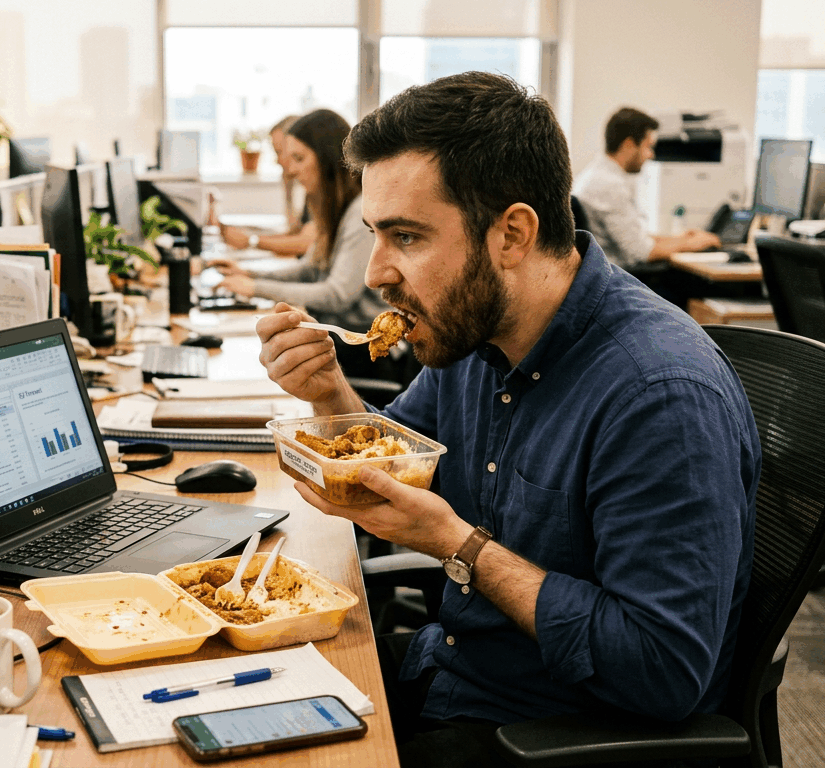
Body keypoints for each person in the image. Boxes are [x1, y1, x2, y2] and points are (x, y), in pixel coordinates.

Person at [255, 73, 759, 768]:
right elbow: (391, 466)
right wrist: (328, 391)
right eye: (375, 235)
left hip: (545, 733)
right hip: (452, 673)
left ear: (513, 235)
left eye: (406, 236)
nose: (375, 273)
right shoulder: (472, 333)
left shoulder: (661, 395)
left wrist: (461, 547)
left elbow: (663, 670)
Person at [212, 108, 392, 379]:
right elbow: (309, 269)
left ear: (327, 159)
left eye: (298, 158)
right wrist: (248, 275)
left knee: (259, 365)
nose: (290, 168)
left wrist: (254, 288)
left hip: (363, 349)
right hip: (338, 338)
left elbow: (338, 296)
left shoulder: (360, 213)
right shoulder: (334, 207)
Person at [573, 107, 721, 305]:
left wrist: (680, 239)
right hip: (622, 284)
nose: (651, 155)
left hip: (613, 278)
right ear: (628, 145)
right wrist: (691, 244)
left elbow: (636, 236)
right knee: (705, 286)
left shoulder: (598, 175)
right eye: (648, 146)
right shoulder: (610, 185)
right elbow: (641, 252)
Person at [218, 114, 316, 257]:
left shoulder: (316, 188)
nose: (277, 161)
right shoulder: (298, 186)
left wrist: (251, 241)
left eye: (279, 152)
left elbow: (305, 243)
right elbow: (295, 231)